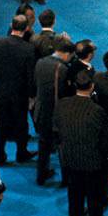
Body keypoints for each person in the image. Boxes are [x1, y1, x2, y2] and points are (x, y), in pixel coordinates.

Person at [54, 72, 108, 216]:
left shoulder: (62, 104)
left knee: (74, 189)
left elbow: (57, 126)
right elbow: (104, 137)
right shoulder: (96, 110)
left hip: (70, 156)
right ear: (92, 86)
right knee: (94, 193)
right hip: (92, 159)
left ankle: (75, 215)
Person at [0, 15, 37, 165]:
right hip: (19, 94)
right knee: (21, 123)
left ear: (11, 25)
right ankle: (22, 153)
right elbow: (30, 76)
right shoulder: (28, 49)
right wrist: (31, 96)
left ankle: (0, 157)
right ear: (26, 28)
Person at [34, 36, 74, 186]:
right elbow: (66, 93)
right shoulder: (63, 69)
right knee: (62, 146)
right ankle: (65, 179)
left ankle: (41, 175)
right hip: (57, 114)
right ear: (66, 53)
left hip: (41, 110)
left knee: (43, 144)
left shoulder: (40, 62)